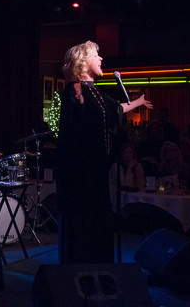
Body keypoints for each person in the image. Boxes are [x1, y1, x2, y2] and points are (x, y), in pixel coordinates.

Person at [56, 40, 153, 264]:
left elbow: (117, 109)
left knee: (100, 221)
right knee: (85, 221)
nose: (101, 59)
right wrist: (74, 84)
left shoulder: (98, 94)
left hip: (98, 169)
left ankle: (100, 263)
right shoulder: (76, 89)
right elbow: (75, 107)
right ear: (83, 62)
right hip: (83, 173)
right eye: (96, 55)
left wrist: (137, 102)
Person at [108, 143, 145, 208]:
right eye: (125, 152)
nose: (127, 155)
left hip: (135, 197)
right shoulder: (116, 167)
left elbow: (141, 184)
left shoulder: (138, 166)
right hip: (119, 198)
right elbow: (126, 186)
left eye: (130, 152)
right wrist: (129, 169)